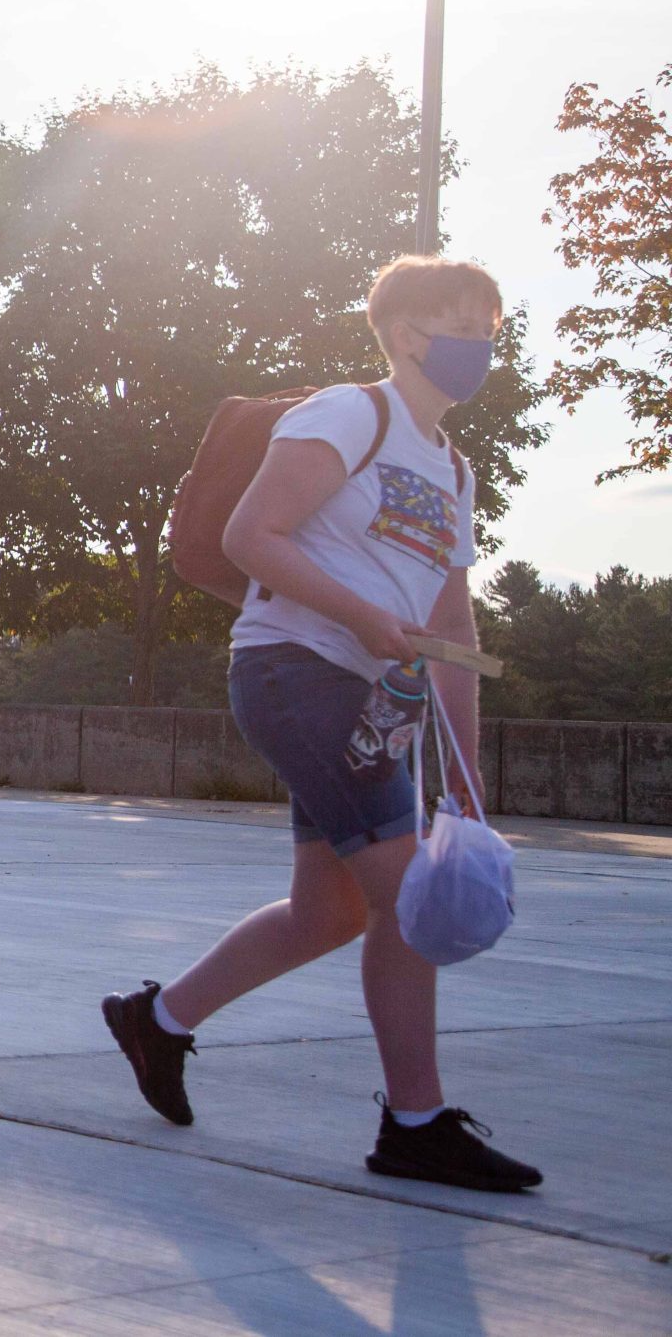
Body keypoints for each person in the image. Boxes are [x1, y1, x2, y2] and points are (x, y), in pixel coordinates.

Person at [103, 256, 540, 1192]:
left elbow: (454, 629)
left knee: (332, 909)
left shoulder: (454, 469)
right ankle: (414, 1123)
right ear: (405, 333)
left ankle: (160, 1020)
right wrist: (359, 615)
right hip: (297, 673)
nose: (484, 343)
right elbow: (248, 536)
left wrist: (465, 776)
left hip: (375, 695)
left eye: (493, 325)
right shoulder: (352, 414)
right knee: (410, 897)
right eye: (468, 321)